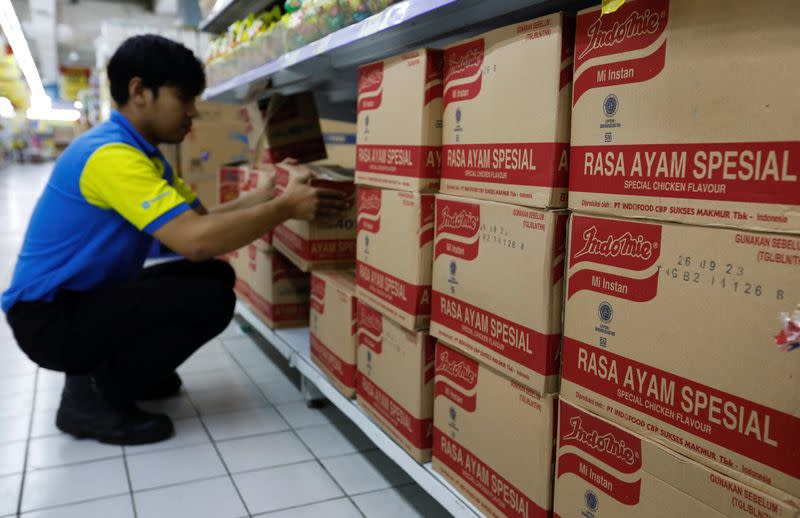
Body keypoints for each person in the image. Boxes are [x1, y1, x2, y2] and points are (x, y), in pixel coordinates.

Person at [1, 35, 346, 445]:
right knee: (209, 298)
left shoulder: (143, 155)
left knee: (212, 278)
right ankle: (91, 398)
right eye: (184, 97)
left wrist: (267, 196)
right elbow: (195, 241)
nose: (193, 113)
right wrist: (285, 209)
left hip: (79, 302)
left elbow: (200, 223)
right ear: (139, 91)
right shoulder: (111, 156)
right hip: (48, 318)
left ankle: (117, 376)